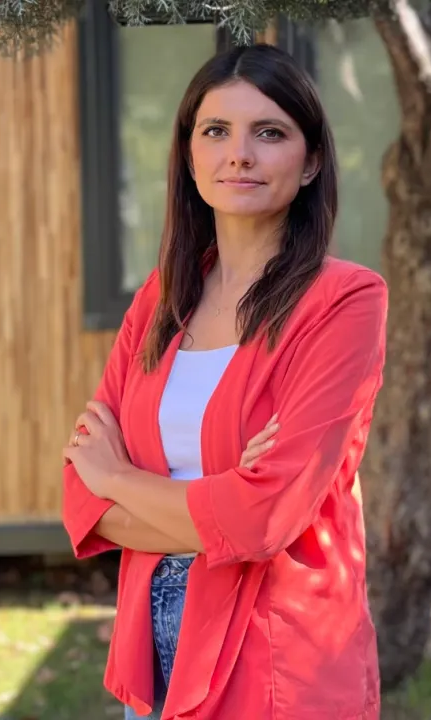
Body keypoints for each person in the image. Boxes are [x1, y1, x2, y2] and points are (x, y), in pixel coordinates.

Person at [60, 42, 387, 720]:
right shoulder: (161, 300)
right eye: (216, 131)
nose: (239, 154)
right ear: (189, 156)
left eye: (269, 133)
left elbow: (264, 519)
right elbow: (80, 498)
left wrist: (119, 477)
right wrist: (222, 502)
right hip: (153, 649)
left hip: (275, 656)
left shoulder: (344, 302)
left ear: (311, 161)